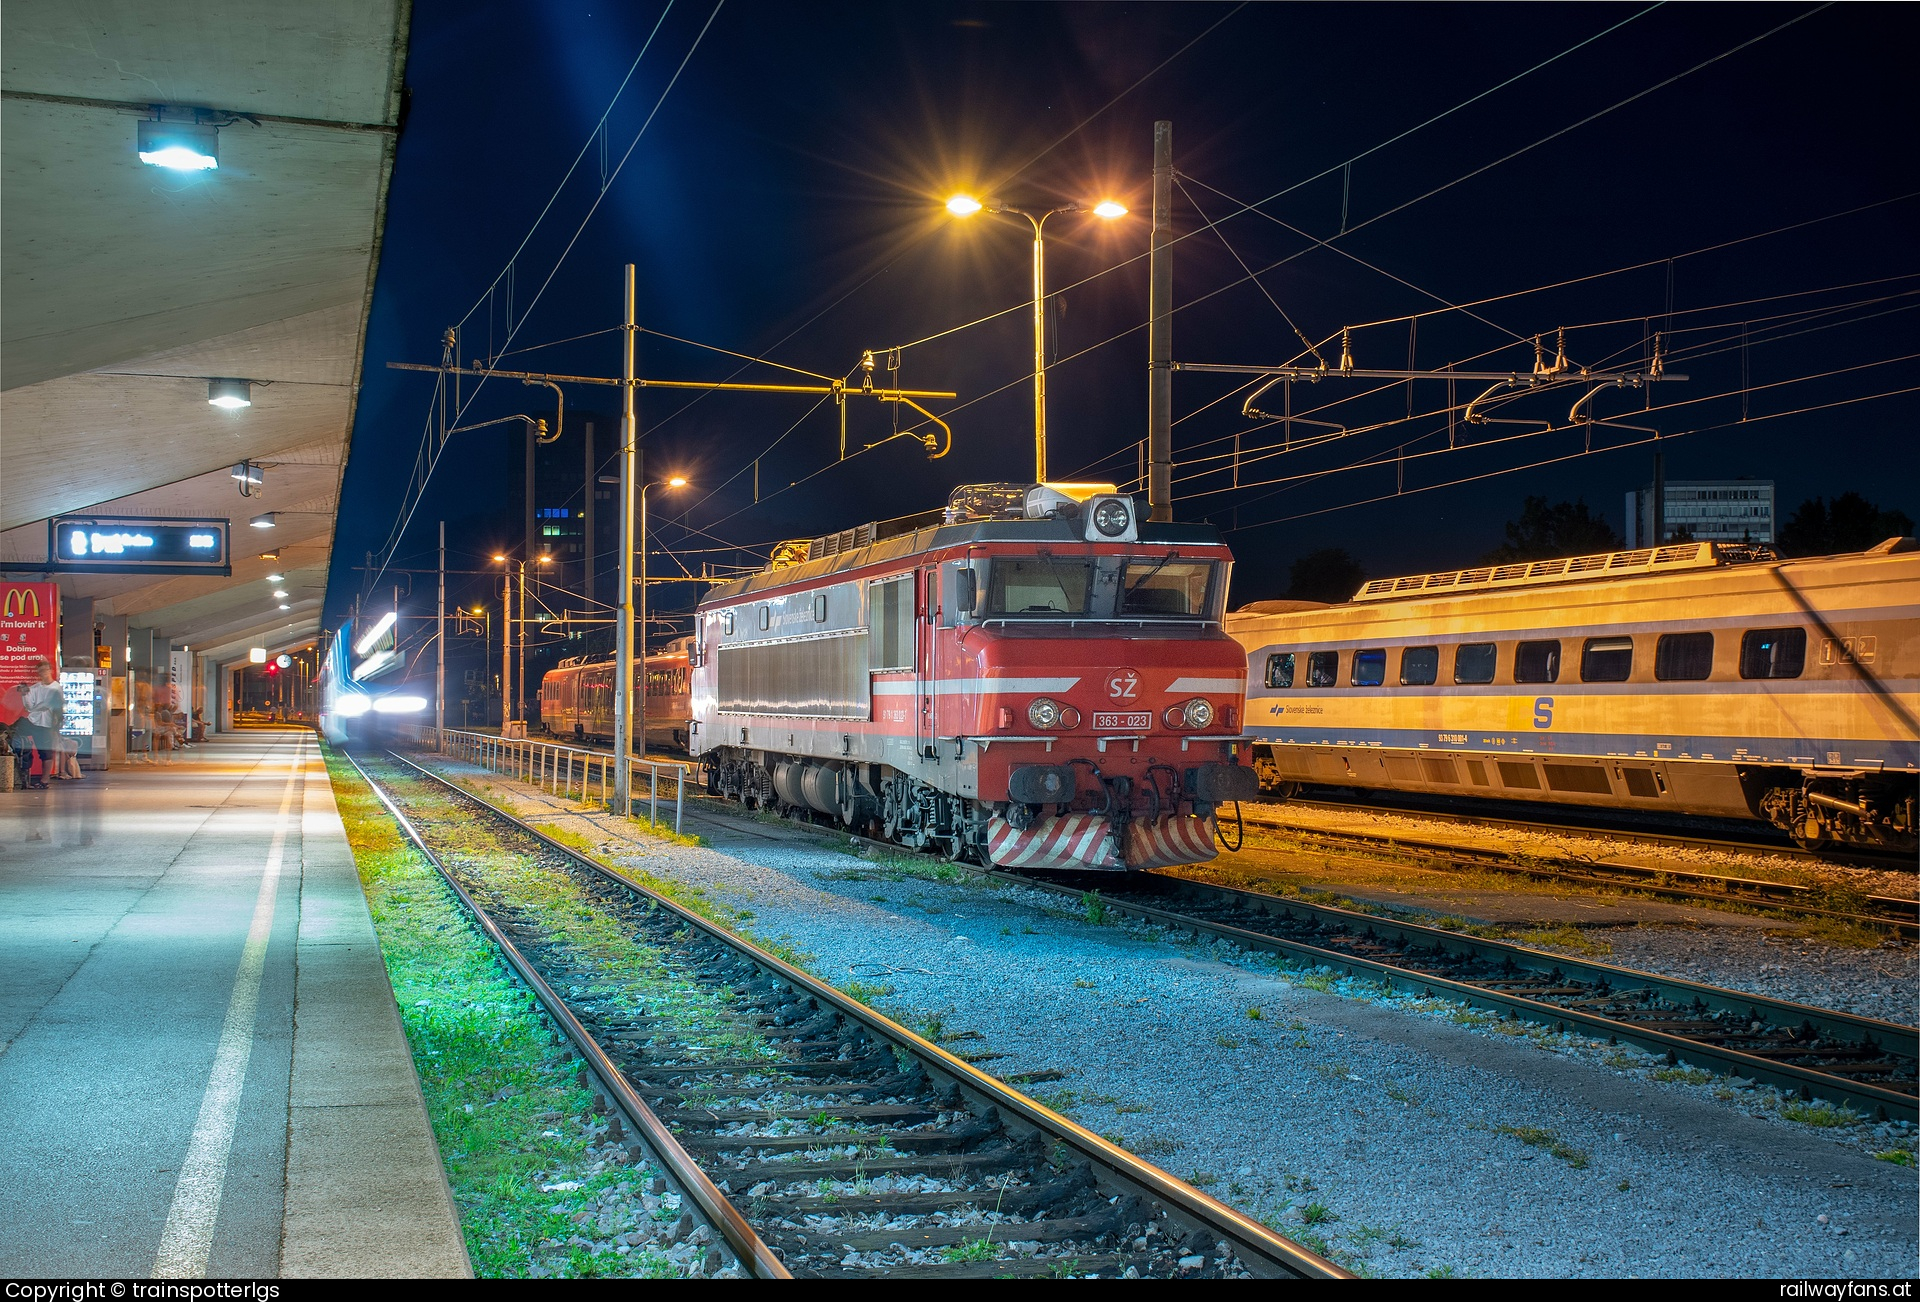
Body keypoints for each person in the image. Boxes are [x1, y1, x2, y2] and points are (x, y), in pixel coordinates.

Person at [18, 659, 60, 789]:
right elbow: (29, 706)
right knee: (18, 740)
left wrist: (35, 707)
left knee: (46, 752)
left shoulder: (56, 688)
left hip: (47, 724)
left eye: (45, 670)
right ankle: (24, 778)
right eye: (40, 671)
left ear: (50, 671)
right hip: (33, 721)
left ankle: (44, 780)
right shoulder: (35, 688)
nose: (43, 673)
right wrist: (24, 694)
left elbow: (46, 705)